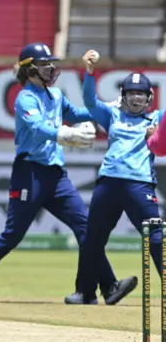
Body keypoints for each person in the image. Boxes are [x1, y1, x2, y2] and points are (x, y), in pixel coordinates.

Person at [0, 43, 137, 305]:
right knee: (13, 235)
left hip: (55, 174)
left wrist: (110, 106)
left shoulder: (55, 95)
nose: (51, 68)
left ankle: (109, 286)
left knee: (86, 227)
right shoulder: (25, 98)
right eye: (44, 65)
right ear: (29, 70)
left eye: (51, 63)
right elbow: (37, 127)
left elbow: (76, 113)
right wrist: (64, 133)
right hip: (30, 173)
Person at [66, 51, 163, 304]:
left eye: (141, 94)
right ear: (124, 95)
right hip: (108, 182)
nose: (136, 98)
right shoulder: (112, 114)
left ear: (149, 97)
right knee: (92, 238)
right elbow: (89, 101)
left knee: (155, 236)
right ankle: (86, 293)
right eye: (131, 93)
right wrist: (88, 72)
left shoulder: (157, 118)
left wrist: (156, 133)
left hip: (140, 185)